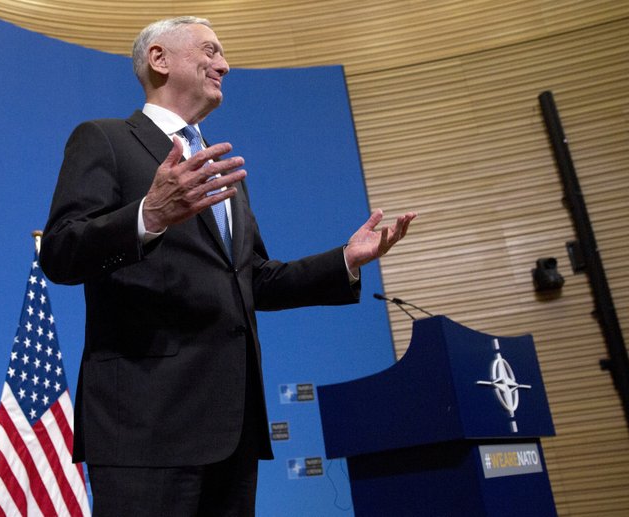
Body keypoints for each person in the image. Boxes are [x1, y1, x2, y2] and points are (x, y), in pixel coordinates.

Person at [40, 15, 416, 516]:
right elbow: (61, 253)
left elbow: (250, 279)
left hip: (233, 427)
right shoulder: (105, 140)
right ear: (159, 59)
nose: (226, 64)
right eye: (211, 51)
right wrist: (148, 215)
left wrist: (344, 261)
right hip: (146, 424)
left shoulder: (218, 170)